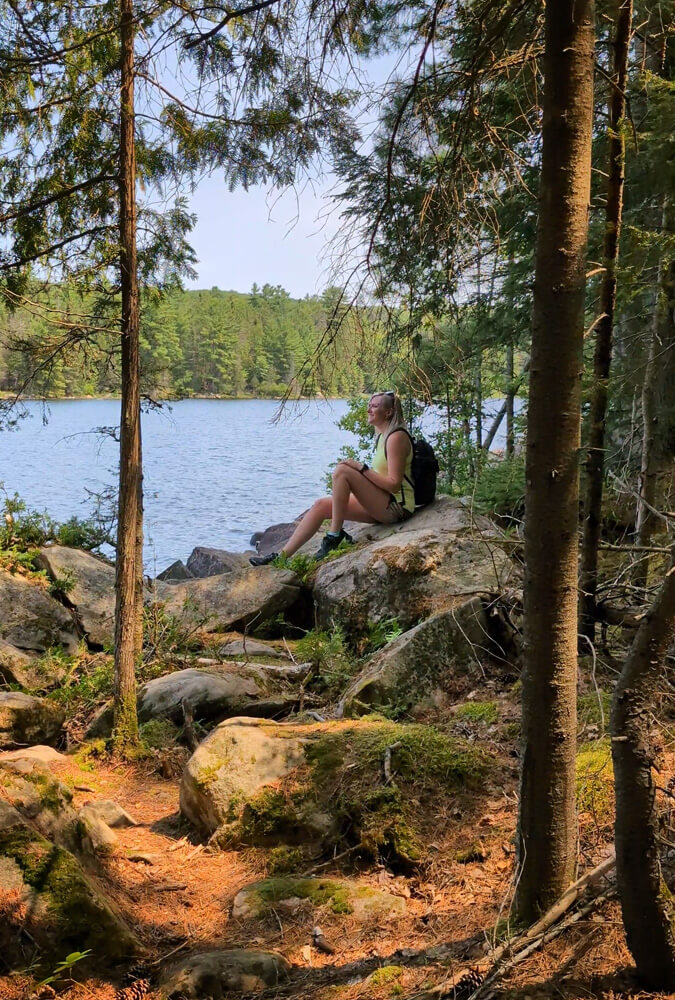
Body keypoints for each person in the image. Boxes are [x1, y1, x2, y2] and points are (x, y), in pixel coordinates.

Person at [249, 391, 415, 565]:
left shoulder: (396, 437)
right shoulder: (382, 436)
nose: (369, 410)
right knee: (321, 505)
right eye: (369, 406)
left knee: (343, 470)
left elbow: (394, 485)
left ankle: (334, 536)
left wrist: (362, 469)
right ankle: (281, 557)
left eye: (374, 406)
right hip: (382, 503)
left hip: (397, 508)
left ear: (388, 412)